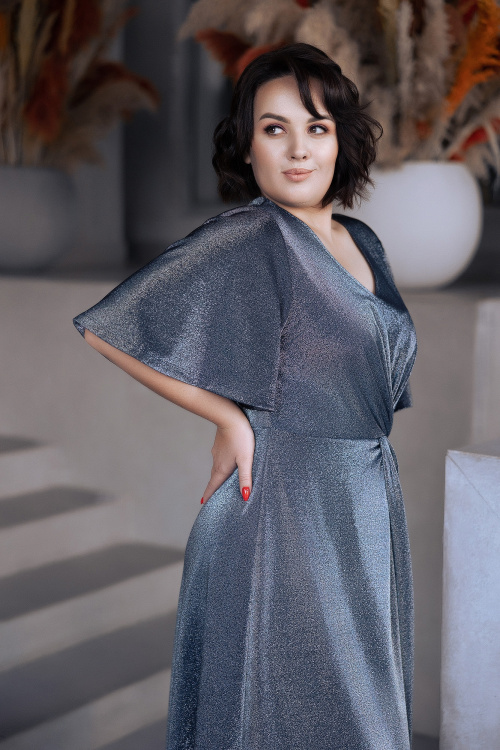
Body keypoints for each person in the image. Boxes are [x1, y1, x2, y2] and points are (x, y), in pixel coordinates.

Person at [73, 42, 418, 750]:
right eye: (274, 128)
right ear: (247, 144)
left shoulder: (362, 241)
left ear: (341, 140)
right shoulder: (250, 235)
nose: (298, 149)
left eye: (316, 127)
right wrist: (228, 416)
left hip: (362, 505)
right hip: (282, 511)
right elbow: (109, 330)